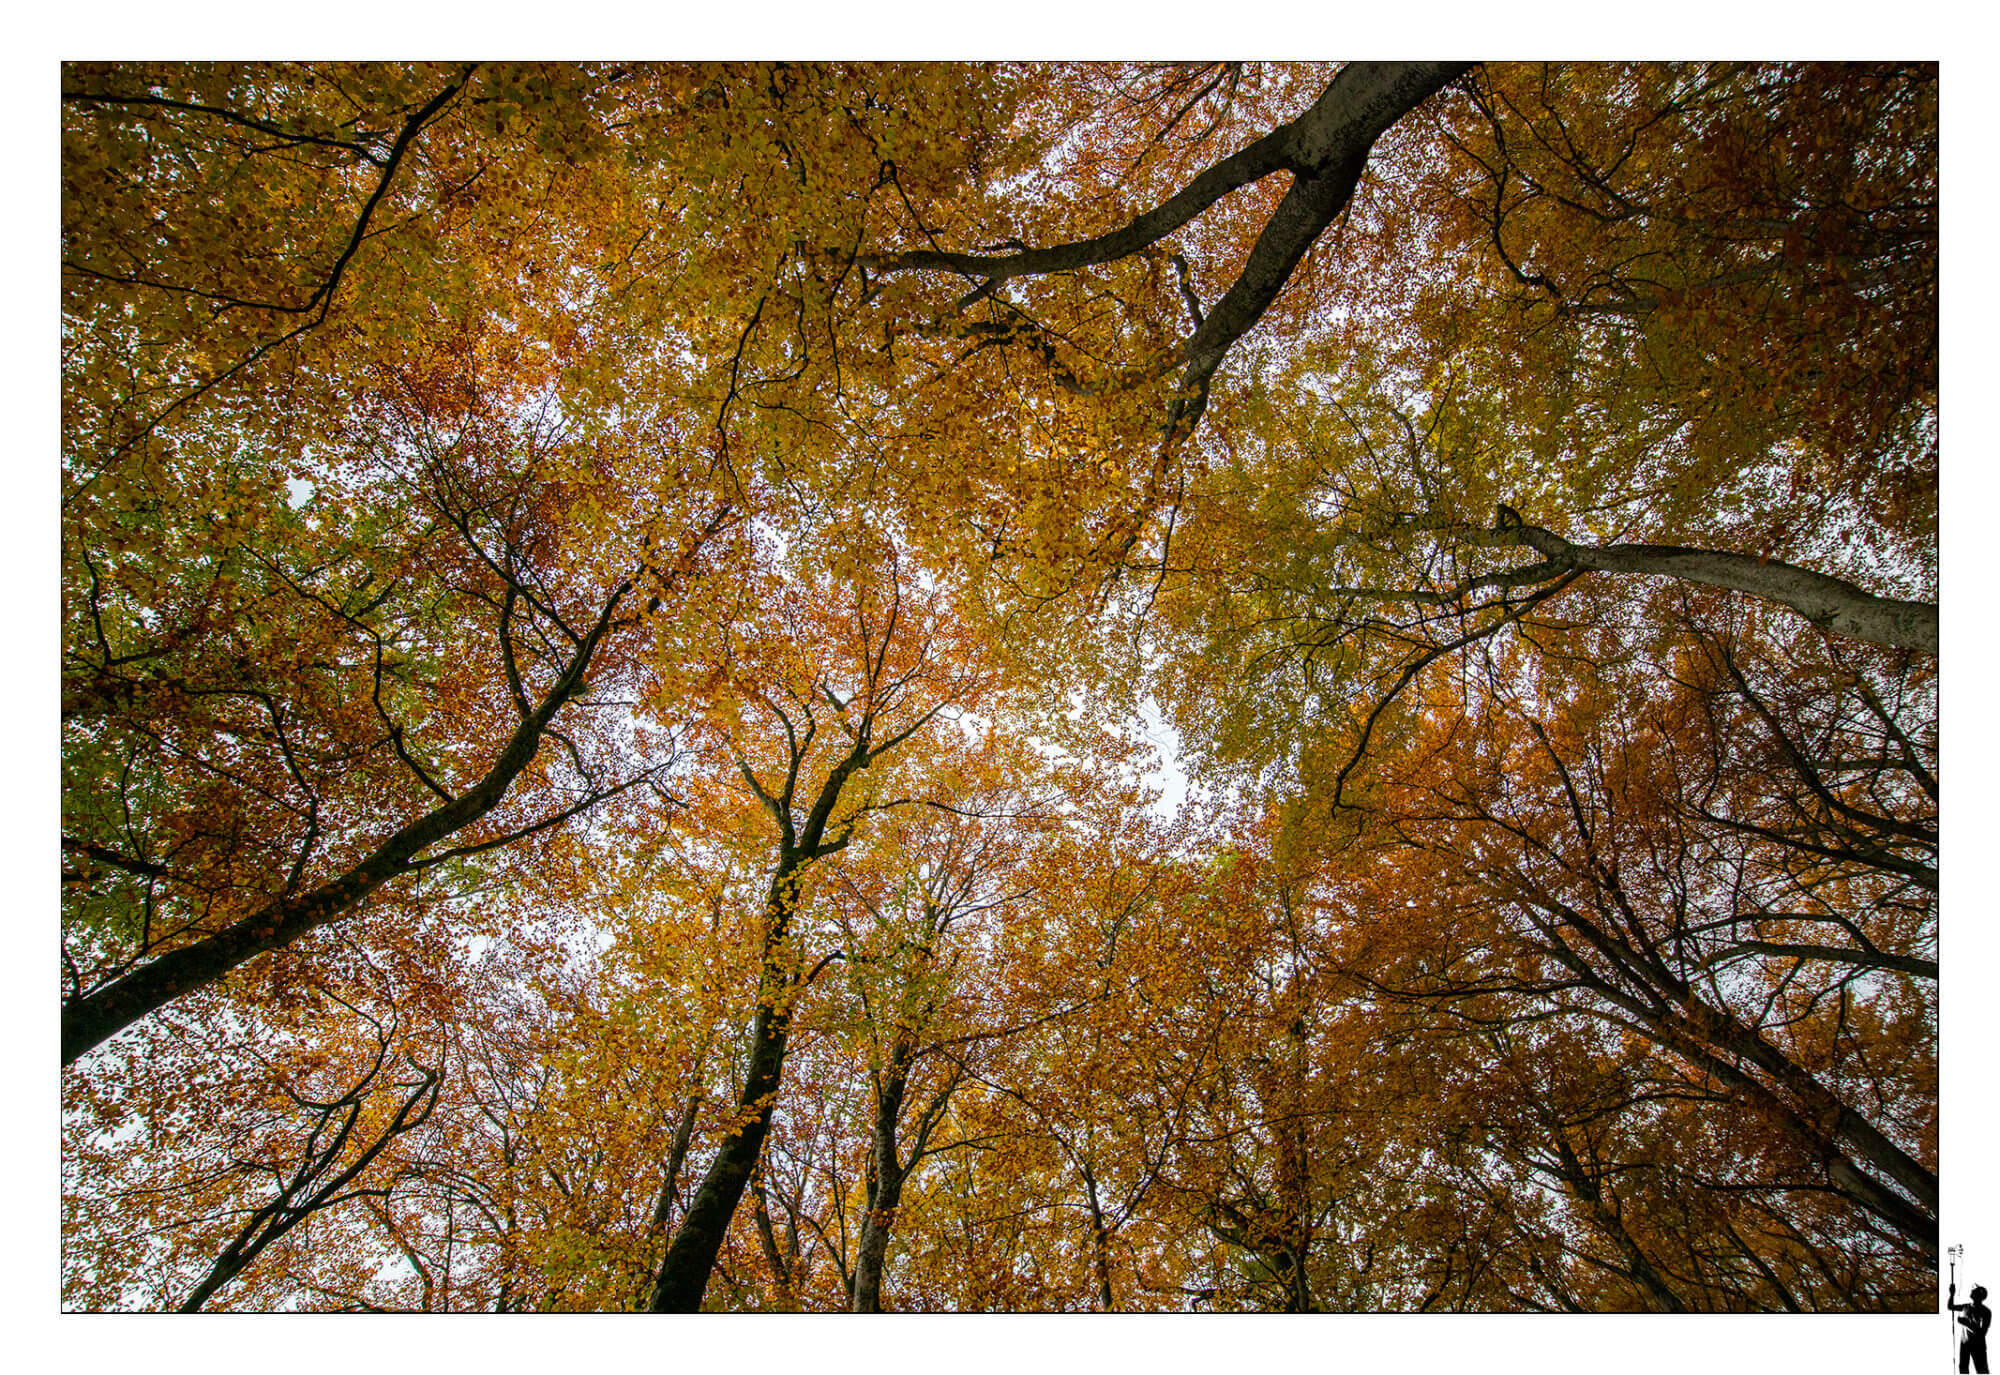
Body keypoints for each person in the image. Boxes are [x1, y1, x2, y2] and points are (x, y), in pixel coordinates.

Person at [1950, 1283, 1993, 1373]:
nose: (1972, 1291)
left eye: (1974, 1290)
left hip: (1978, 1345)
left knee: (1981, 1370)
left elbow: (1982, 1333)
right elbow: (1950, 1307)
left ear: (1979, 1295)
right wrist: (1952, 1294)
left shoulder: (1986, 1312)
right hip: (1964, 1344)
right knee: (1963, 1369)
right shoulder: (1966, 1306)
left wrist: (1966, 1323)